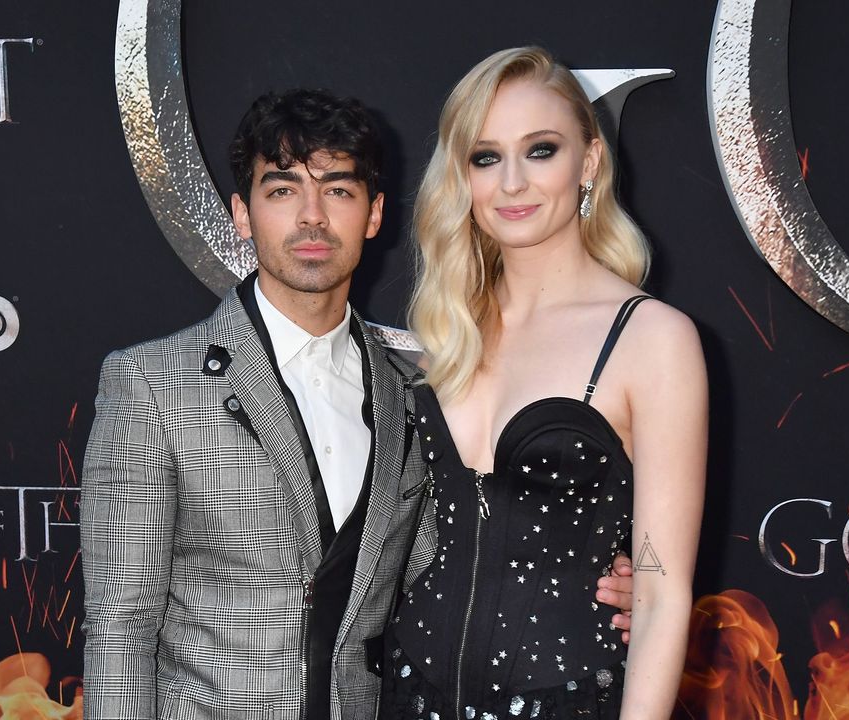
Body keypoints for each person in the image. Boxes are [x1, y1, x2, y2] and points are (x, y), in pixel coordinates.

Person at [80, 88, 637, 720]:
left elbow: (460, 561)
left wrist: (611, 581)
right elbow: (120, 630)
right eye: (283, 190)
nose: (312, 217)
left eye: (339, 191)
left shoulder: (418, 392)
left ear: (374, 214)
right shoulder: (152, 383)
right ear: (242, 213)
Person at [383, 47, 707, 720]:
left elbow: (660, 590)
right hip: (409, 692)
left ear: (587, 163)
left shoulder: (652, 339)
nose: (511, 184)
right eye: (485, 157)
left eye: (540, 151)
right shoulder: (447, 329)